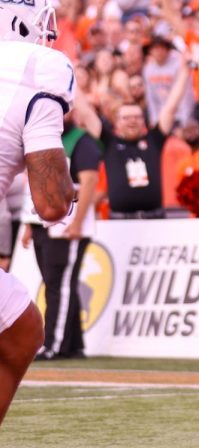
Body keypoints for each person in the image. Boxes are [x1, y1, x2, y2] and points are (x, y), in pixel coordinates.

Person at [0, 0, 76, 424]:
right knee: (25, 332)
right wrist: (68, 193)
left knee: (21, 326)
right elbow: (49, 203)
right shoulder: (38, 65)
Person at [23, 114, 101, 360]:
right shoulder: (43, 138)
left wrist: (77, 223)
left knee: (60, 285)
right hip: (41, 221)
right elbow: (34, 182)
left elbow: (89, 182)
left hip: (66, 222)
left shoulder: (81, 141)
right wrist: (29, 223)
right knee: (54, 283)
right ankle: (73, 344)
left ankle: (53, 345)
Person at [71, 61, 191, 219]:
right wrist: (69, 76)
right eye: (126, 118)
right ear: (117, 122)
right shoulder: (109, 142)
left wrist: (185, 71)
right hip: (120, 220)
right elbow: (85, 111)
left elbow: (171, 106)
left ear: (143, 121)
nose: (132, 121)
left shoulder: (154, 139)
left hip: (155, 219)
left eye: (137, 117)